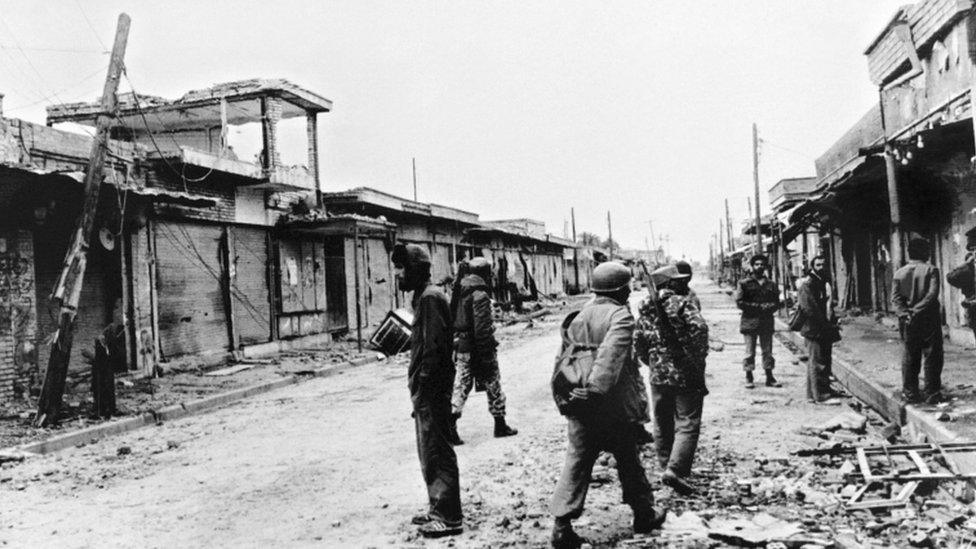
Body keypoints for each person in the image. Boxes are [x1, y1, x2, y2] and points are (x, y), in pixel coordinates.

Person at [550, 262, 666, 549]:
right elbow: (610, 358)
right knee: (628, 458)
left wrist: (568, 397)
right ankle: (644, 514)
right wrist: (595, 391)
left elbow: (563, 361)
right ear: (622, 289)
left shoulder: (578, 316)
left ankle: (561, 526)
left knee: (577, 461)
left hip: (579, 401)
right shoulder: (621, 316)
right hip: (609, 405)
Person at [392, 243, 463, 538]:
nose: (397, 274)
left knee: (437, 448)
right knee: (428, 449)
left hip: (432, 387)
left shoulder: (432, 299)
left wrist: (423, 385)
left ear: (416, 270)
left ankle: (448, 516)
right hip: (426, 387)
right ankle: (438, 507)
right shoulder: (424, 297)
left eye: (402, 268)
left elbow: (434, 350)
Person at [635, 265, 709, 496]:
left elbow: (638, 341)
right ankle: (676, 470)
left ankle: (665, 463)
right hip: (685, 371)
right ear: (669, 284)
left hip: (658, 373)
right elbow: (700, 328)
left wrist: (653, 361)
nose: (681, 283)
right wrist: (695, 356)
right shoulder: (682, 303)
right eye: (676, 281)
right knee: (687, 420)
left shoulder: (645, 308)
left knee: (662, 420)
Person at [450, 257, 517, 444]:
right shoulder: (480, 294)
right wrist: (486, 356)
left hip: (462, 346)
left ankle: (451, 425)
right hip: (479, 347)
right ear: (485, 274)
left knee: (461, 386)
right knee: (493, 383)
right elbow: (482, 329)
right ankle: (500, 424)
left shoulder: (460, 290)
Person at [893, 237, 944, 404]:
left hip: (907, 320)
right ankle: (932, 393)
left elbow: (895, 299)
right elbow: (932, 295)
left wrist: (905, 313)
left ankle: (910, 393)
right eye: (927, 250)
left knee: (909, 355)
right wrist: (916, 311)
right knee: (932, 355)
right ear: (924, 252)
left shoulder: (899, 273)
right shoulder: (931, 270)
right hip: (928, 318)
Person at [797, 255, 841, 403]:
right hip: (814, 328)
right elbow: (809, 309)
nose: (821, 267)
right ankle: (819, 395)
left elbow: (829, 304)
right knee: (817, 363)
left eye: (823, 264)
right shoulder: (807, 284)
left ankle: (817, 392)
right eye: (818, 265)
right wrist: (823, 324)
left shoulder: (824, 282)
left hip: (825, 328)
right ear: (812, 267)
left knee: (824, 361)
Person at [734, 254, 781, 389]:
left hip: (766, 321)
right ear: (752, 266)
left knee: (768, 351)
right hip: (750, 322)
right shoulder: (744, 283)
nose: (759, 266)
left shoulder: (771, 284)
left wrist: (770, 307)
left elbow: (776, 302)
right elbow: (740, 302)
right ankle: (749, 376)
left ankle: (769, 376)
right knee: (750, 351)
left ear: (765, 266)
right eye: (757, 264)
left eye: (762, 264)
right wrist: (758, 308)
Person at [946, 226, 976, 342]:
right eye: (973, 249)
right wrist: (965, 264)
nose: (974, 252)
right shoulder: (969, 269)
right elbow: (951, 277)